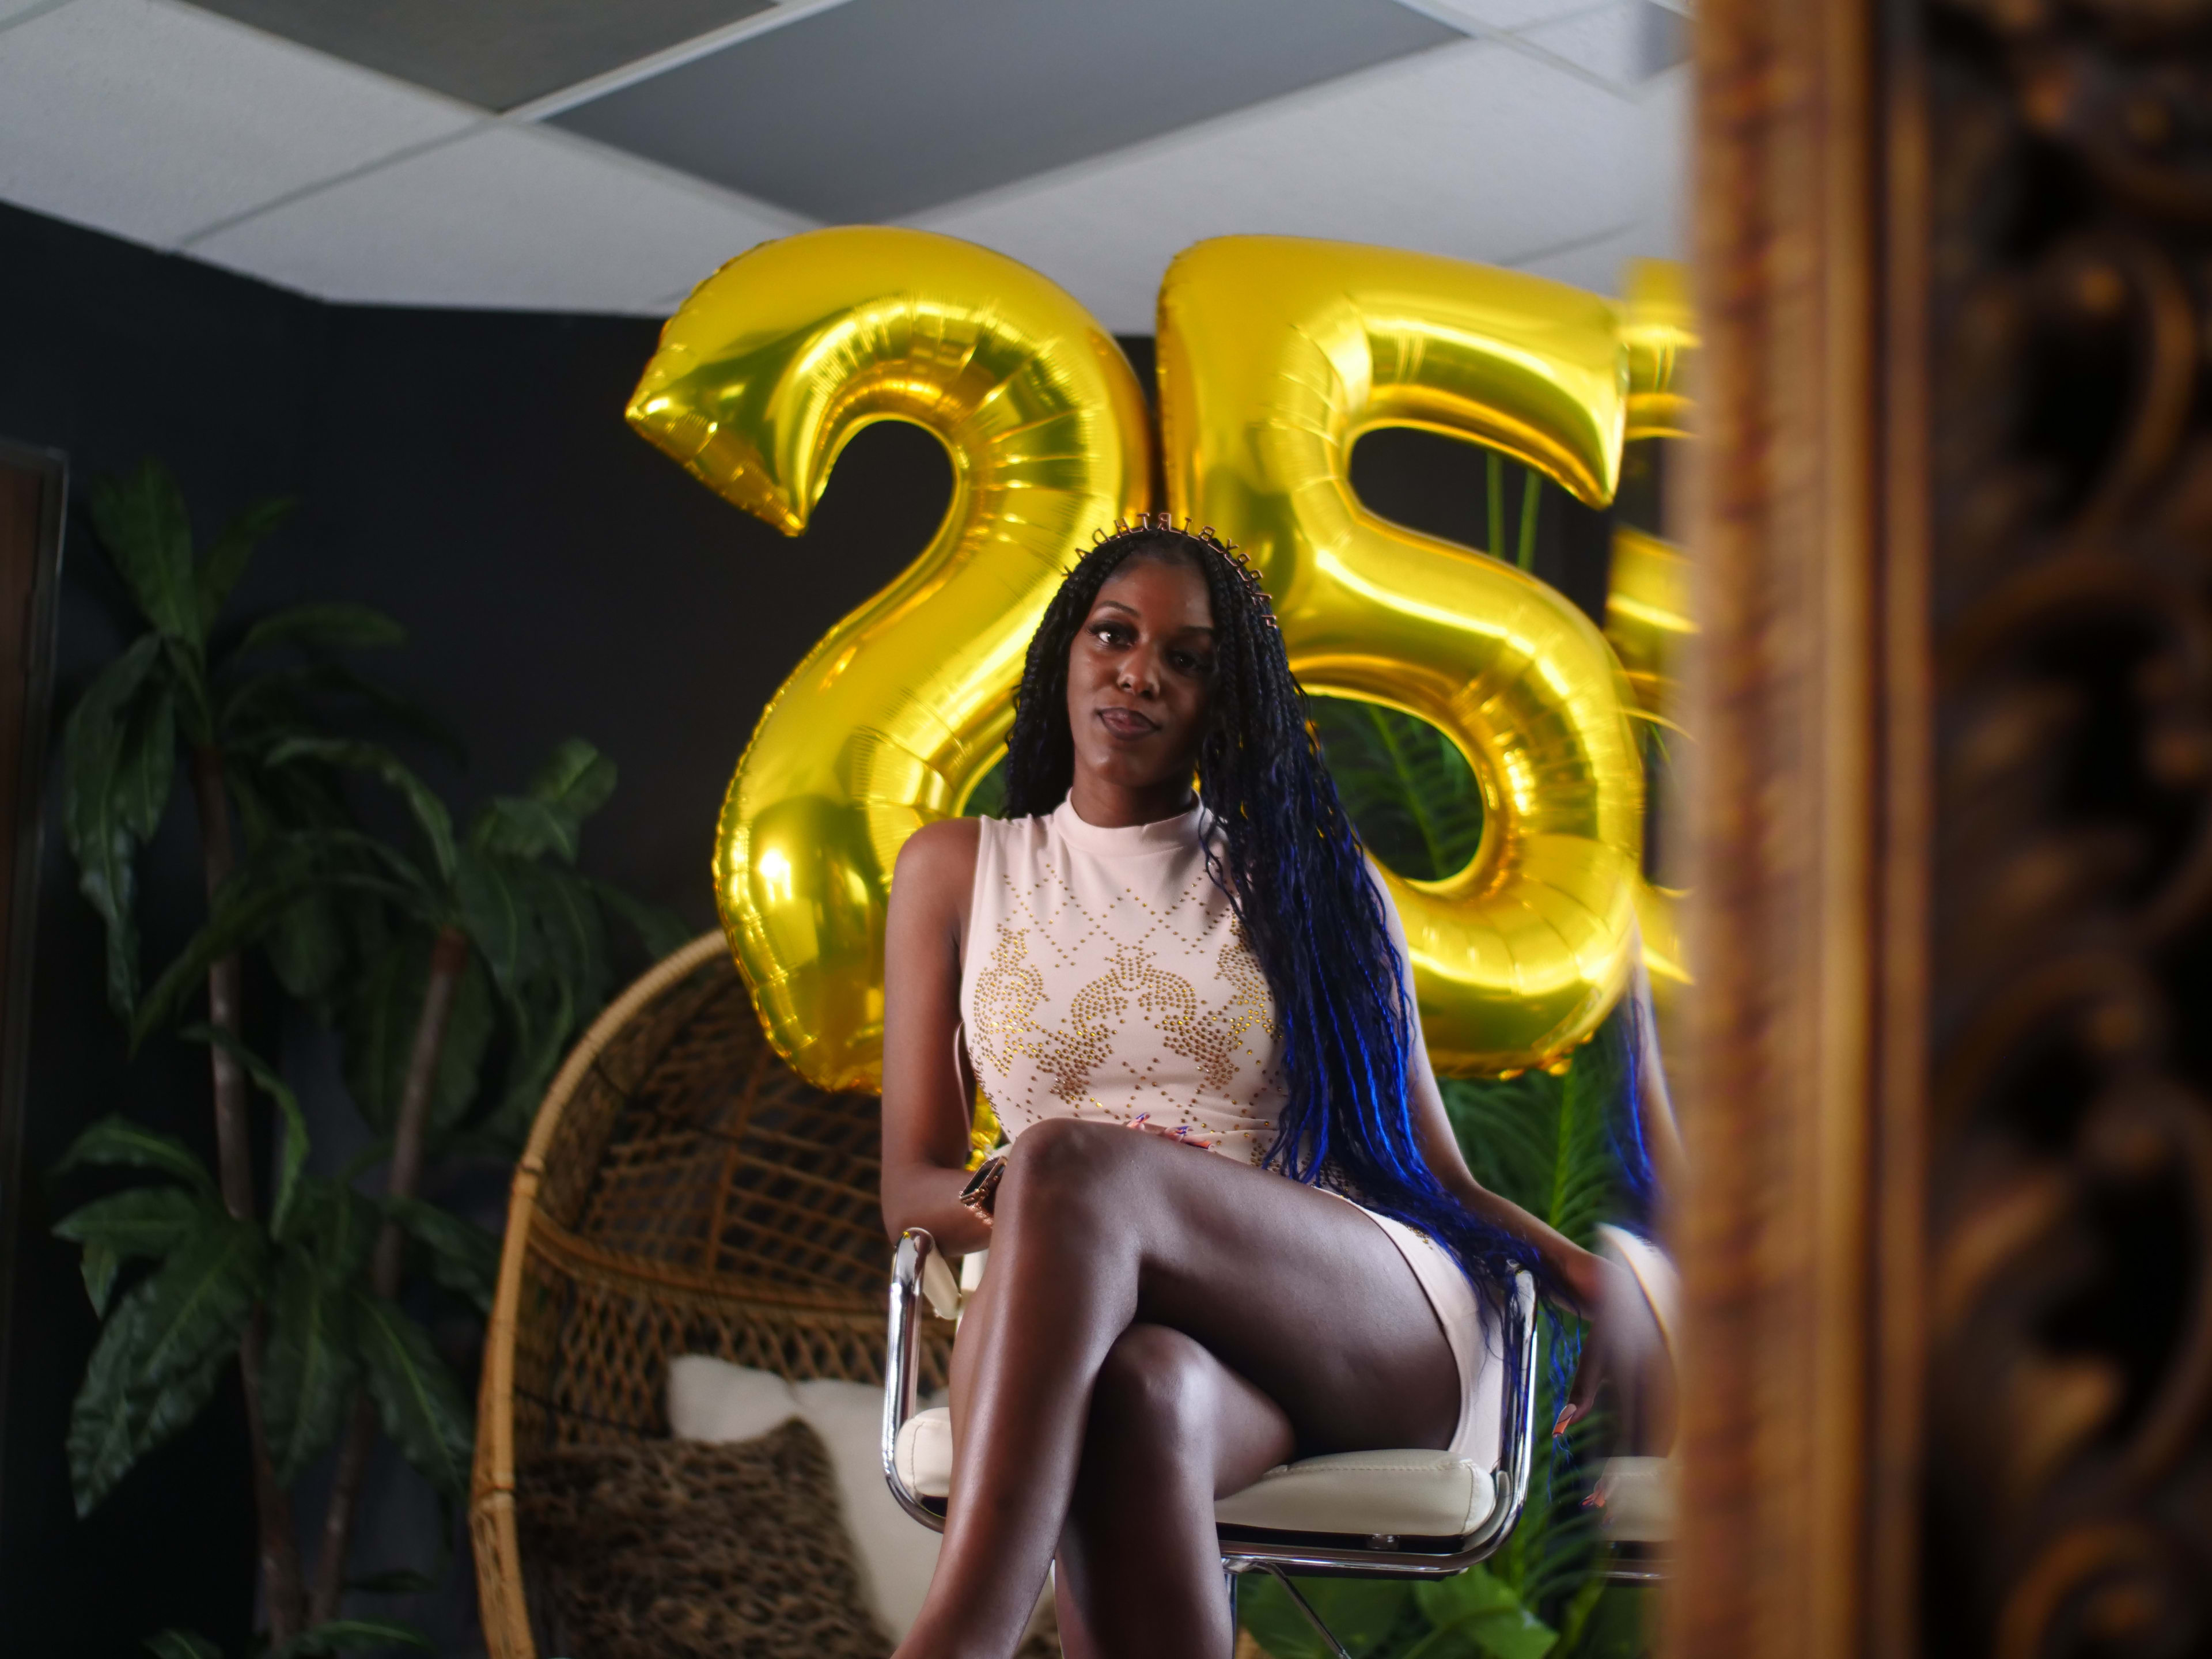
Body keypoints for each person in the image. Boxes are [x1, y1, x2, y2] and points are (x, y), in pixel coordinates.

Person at [880, 516, 1628, 1659]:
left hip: (1355, 1318)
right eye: (1115, 636)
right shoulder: (956, 870)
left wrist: (1579, 1274)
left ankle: (956, 1640)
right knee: (1143, 1398)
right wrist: (1059, 1207)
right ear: (1065, 655)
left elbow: (1431, 1169)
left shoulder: (1309, 881)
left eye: (1189, 658)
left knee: (1069, 1157)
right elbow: (913, 1187)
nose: (1141, 672)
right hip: (1121, 1326)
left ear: (1226, 701)